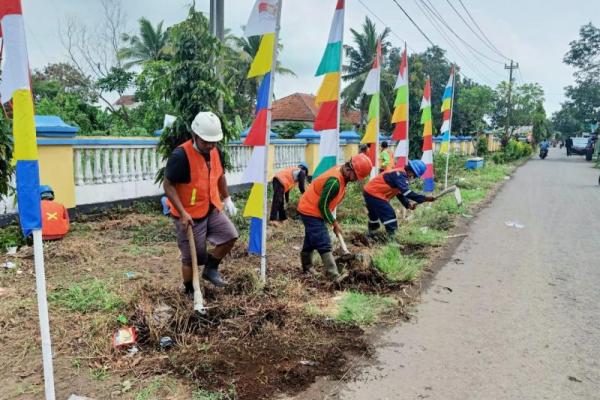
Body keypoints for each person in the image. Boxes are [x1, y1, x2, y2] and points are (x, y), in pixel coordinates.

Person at [163, 111, 239, 295]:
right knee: (192, 257)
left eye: (214, 142)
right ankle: (189, 290)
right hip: (188, 213)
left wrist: (227, 198)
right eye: (206, 141)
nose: (210, 145)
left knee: (230, 235)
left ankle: (210, 269)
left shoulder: (215, 152)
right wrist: (182, 213)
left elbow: (219, 176)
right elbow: (168, 185)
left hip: (211, 207)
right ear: (194, 135)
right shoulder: (180, 156)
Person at [297, 154, 373, 279]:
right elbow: (323, 205)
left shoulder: (342, 173)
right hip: (310, 209)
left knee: (312, 238)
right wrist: (334, 223)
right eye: (356, 177)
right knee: (323, 240)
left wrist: (332, 221)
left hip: (313, 208)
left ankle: (307, 267)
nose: (355, 180)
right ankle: (334, 275)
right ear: (350, 169)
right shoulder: (334, 182)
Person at [363, 160, 434, 239]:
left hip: (369, 192)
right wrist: (424, 198)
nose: (413, 178)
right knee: (389, 213)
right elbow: (406, 192)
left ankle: (371, 235)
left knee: (374, 215)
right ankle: (392, 239)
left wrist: (407, 204)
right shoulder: (400, 175)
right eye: (414, 176)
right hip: (374, 193)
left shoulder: (399, 173)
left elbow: (399, 192)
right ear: (411, 171)